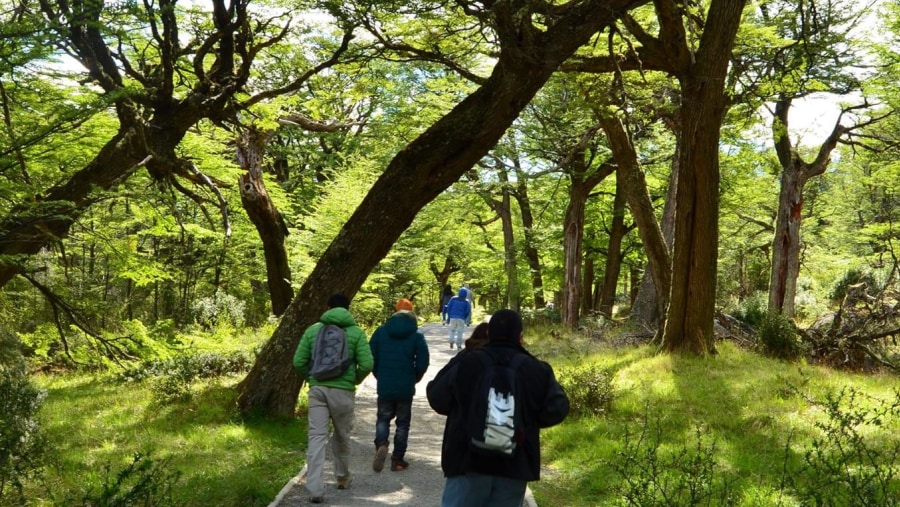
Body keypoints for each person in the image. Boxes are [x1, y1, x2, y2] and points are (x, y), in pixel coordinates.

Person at [426, 309, 570, 507]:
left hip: (466, 461)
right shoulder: (537, 369)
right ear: (520, 337)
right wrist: (525, 418)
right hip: (514, 465)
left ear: (489, 334)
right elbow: (557, 409)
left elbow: (437, 397)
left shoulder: (467, 362)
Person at [293, 293, 374, 504]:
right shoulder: (356, 333)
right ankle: (342, 477)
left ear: (328, 307)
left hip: (318, 389)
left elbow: (298, 361)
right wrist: (353, 380)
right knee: (342, 435)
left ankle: (315, 488)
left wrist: (312, 378)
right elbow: (366, 364)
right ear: (348, 308)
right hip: (343, 392)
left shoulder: (313, 330)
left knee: (317, 436)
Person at [369, 298, 430, 473]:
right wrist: (415, 377)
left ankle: (381, 443)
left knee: (383, 417)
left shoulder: (381, 332)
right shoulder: (417, 335)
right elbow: (423, 361)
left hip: (385, 383)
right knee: (403, 423)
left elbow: (370, 355)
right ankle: (397, 460)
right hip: (405, 384)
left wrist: (378, 373)